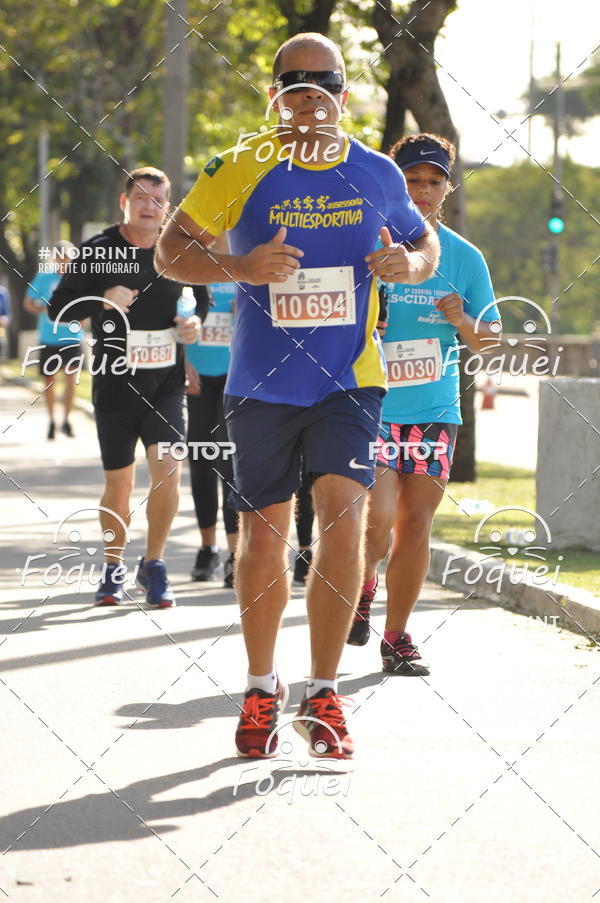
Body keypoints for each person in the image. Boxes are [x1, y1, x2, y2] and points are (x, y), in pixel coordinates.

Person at [156, 33, 439, 759]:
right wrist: (241, 264)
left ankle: (323, 693)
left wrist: (408, 263)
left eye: (324, 85)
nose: (309, 98)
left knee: (343, 521)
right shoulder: (241, 165)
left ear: (343, 94)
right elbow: (170, 250)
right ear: (275, 94)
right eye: (294, 85)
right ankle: (261, 686)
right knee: (264, 539)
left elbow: (424, 241)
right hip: (262, 383)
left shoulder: (375, 170)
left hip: (350, 379)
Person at [347, 133, 501, 676]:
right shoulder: (366, 243)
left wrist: (462, 319)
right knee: (378, 521)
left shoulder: (464, 257)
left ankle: (397, 637)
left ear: (447, 188)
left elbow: (491, 341)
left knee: (415, 527)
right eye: (413, 179)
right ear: (395, 182)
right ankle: (363, 585)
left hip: (434, 412)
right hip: (372, 406)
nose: (424, 190)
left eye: (435, 181)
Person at [48, 167, 208, 608]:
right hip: (115, 384)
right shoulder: (98, 250)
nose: (148, 207)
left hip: (165, 386)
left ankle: (154, 564)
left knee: (168, 472)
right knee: (119, 487)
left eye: (157, 200)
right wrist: (101, 299)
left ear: (168, 207)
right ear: (124, 202)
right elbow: (58, 310)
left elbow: (201, 303)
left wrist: (194, 325)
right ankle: (113, 568)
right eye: (140, 197)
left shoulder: (179, 249)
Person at [185, 260, 239, 587]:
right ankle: (208, 548)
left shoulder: (246, 259)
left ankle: (235, 554)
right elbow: (168, 313)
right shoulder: (189, 261)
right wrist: (181, 362)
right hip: (196, 377)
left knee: (231, 464)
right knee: (201, 461)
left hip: (235, 377)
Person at [23, 242, 84, 439]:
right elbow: (28, 302)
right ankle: (51, 420)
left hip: (72, 337)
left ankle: (66, 420)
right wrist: (43, 309)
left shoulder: (79, 279)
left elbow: (87, 304)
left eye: (67, 256)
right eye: (60, 256)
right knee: (49, 381)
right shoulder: (44, 278)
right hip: (49, 337)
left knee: (71, 379)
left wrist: (83, 317)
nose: (64, 259)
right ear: (55, 257)